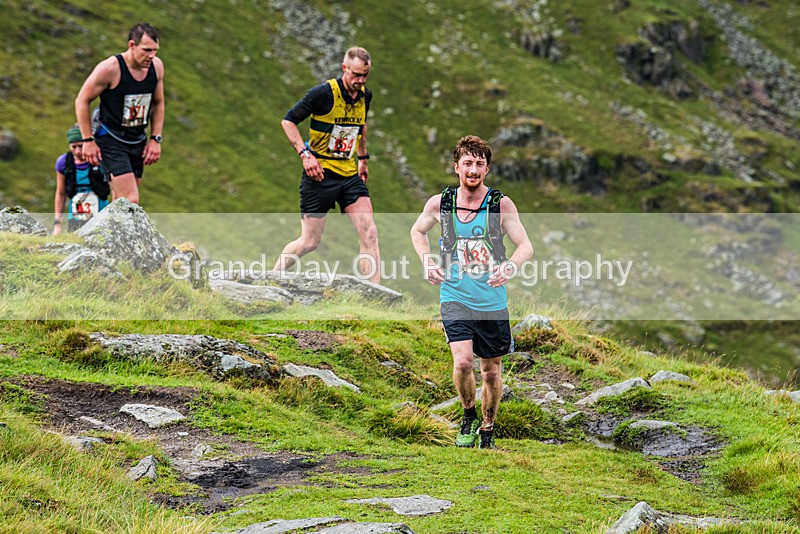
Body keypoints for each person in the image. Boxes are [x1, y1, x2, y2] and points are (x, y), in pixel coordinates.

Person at [410, 135, 533, 449]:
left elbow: (525, 246)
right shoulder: (441, 203)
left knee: (491, 371)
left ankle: (488, 428)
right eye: (468, 163)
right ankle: (468, 415)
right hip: (455, 295)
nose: (473, 169)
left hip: (491, 300)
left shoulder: (500, 204)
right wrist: (427, 262)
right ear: (457, 167)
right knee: (464, 362)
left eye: (480, 163)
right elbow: (417, 231)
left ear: (487, 169)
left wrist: (511, 266)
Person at [273, 47, 380, 284]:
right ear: (344, 69)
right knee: (309, 242)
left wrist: (362, 159)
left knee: (370, 233)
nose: (360, 81)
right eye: (356, 75)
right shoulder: (322, 93)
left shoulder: (365, 95)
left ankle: (375, 297)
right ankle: (273, 277)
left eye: (365, 76)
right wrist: (305, 154)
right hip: (320, 174)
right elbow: (288, 121)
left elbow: (361, 125)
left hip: (349, 172)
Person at [74, 22, 165, 205]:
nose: (152, 55)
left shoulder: (156, 67)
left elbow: (158, 102)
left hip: (137, 139)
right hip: (111, 139)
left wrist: (155, 139)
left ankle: (106, 233)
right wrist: (88, 141)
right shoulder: (110, 69)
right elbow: (82, 100)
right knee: (130, 200)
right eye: (147, 50)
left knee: (119, 200)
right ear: (132, 45)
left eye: (155, 50)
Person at [53, 126, 110, 234]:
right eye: (74, 147)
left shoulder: (101, 158)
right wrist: (57, 224)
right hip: (75, 214)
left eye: (81, 146)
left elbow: (115, 186)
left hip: (101, 211)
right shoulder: (63, 162)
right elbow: (61, 193)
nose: (78, 151)